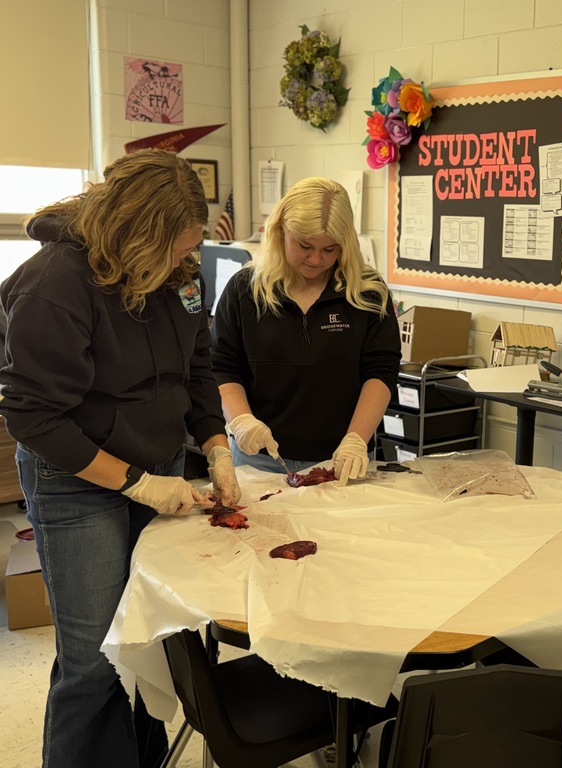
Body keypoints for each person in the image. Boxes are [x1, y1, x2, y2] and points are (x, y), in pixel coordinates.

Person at [0, 148, 241, 768]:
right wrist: (133, 485)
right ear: (133, 233)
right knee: (94, 658)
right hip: (77, 478)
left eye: (189, 252)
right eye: (171, 252)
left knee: (148, 640)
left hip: (156, 466)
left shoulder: (180, 275)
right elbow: (32, 417)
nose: (182, 267)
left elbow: (197, 366)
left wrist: (215, 444)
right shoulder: (54, 285)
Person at [211, 177, 401, 481]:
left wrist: (355, 440)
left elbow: (381, 369)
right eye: (304, 246)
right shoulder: (244, 290)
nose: (316, 259)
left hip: (340, 458)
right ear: (280, 231)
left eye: (330, 249)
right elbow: (221, 365)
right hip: (260, 459)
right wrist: (241, 419)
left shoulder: (367, 292)